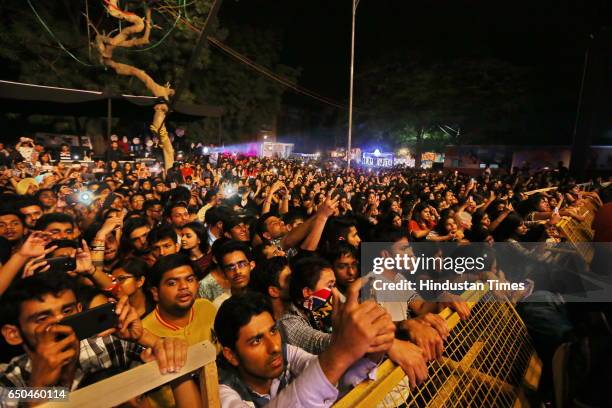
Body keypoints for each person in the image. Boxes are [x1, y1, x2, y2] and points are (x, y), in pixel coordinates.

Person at [214, 287, 396, 407]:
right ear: (232, 356)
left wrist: (375, 349)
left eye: (273, 331)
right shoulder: (222, 393)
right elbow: (327, 371)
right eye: (256, 341)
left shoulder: (286, 354)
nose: (274, 347)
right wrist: (341, 351)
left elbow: (332, 380)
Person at [0, 272, 188, 389]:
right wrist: (40, 386)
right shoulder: (8, 384)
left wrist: (144, 336)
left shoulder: (107, 347)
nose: (60, 324)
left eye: (68, 311)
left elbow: (173, 362)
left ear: (80, 311)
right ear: (13, 334)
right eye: (42, 319)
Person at [212, 240, 255, 308]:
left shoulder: (266, 292)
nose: (237, 271)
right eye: (230, 268)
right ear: (223, 273)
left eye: (242, 264)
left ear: (252, 265)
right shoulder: (220, 304)